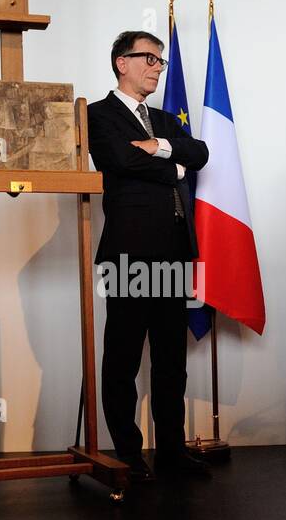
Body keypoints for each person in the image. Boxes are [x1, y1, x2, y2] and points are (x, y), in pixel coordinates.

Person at [88, 31, 211, 483]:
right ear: (122, 62)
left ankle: (173, 451)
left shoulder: (164, 119)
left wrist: (161, 148)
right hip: (128, 254)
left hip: (175, 251)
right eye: (150, 59)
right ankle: (127, 454)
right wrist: (173, 166)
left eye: (160, 61)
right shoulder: (96, 115)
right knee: (122, 357)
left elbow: (199, 154)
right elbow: (119, 161)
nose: (158, 67)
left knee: (170, 359)